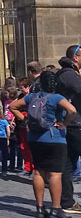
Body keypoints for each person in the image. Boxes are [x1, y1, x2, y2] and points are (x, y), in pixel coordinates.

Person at [10, 70, 78, 217]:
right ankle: (55, 208)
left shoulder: (31, 97)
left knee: (39, 172)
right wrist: (64, 123)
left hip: (34, 139)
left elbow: (12, 106)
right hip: (54, 139)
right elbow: (71, 110)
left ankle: (40, 208)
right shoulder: (56, 98)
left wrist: (25, 119)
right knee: (55, 174)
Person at [55, 45, 81, 215]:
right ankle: (67, 201)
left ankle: (67, 201)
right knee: (67, 165)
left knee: (67, 164)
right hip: (75, 125)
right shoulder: (70, 75)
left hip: (69, 125)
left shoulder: (65, 73)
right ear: (76, 58)